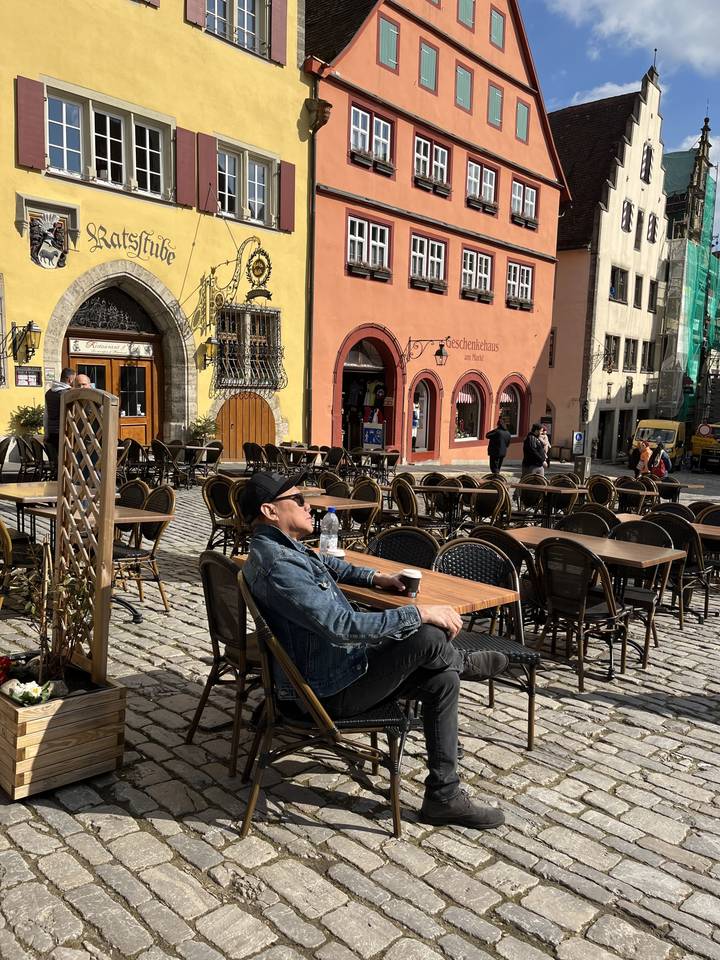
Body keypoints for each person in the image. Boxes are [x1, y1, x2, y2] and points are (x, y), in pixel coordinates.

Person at [241, 471, 509, 830]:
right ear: (270, 511)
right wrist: (418, 611)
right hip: (324, 693)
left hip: (326, 671)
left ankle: (443, 796)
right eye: (299, 499)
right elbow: (342, 626)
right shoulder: (279, 564)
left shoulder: (280, 549)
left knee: (441, 679)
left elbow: (326, 564)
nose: (309, 505)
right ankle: (463, 662)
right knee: (428, 637)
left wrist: (376, 578)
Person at [43, 368, 75, 457]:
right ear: (70, 379)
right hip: (65, 431)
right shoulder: (68, 394)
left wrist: (46, 432)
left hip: (52, 431)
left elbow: (46, 414)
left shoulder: (48, 393)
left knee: (57, 459)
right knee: (65, 459)